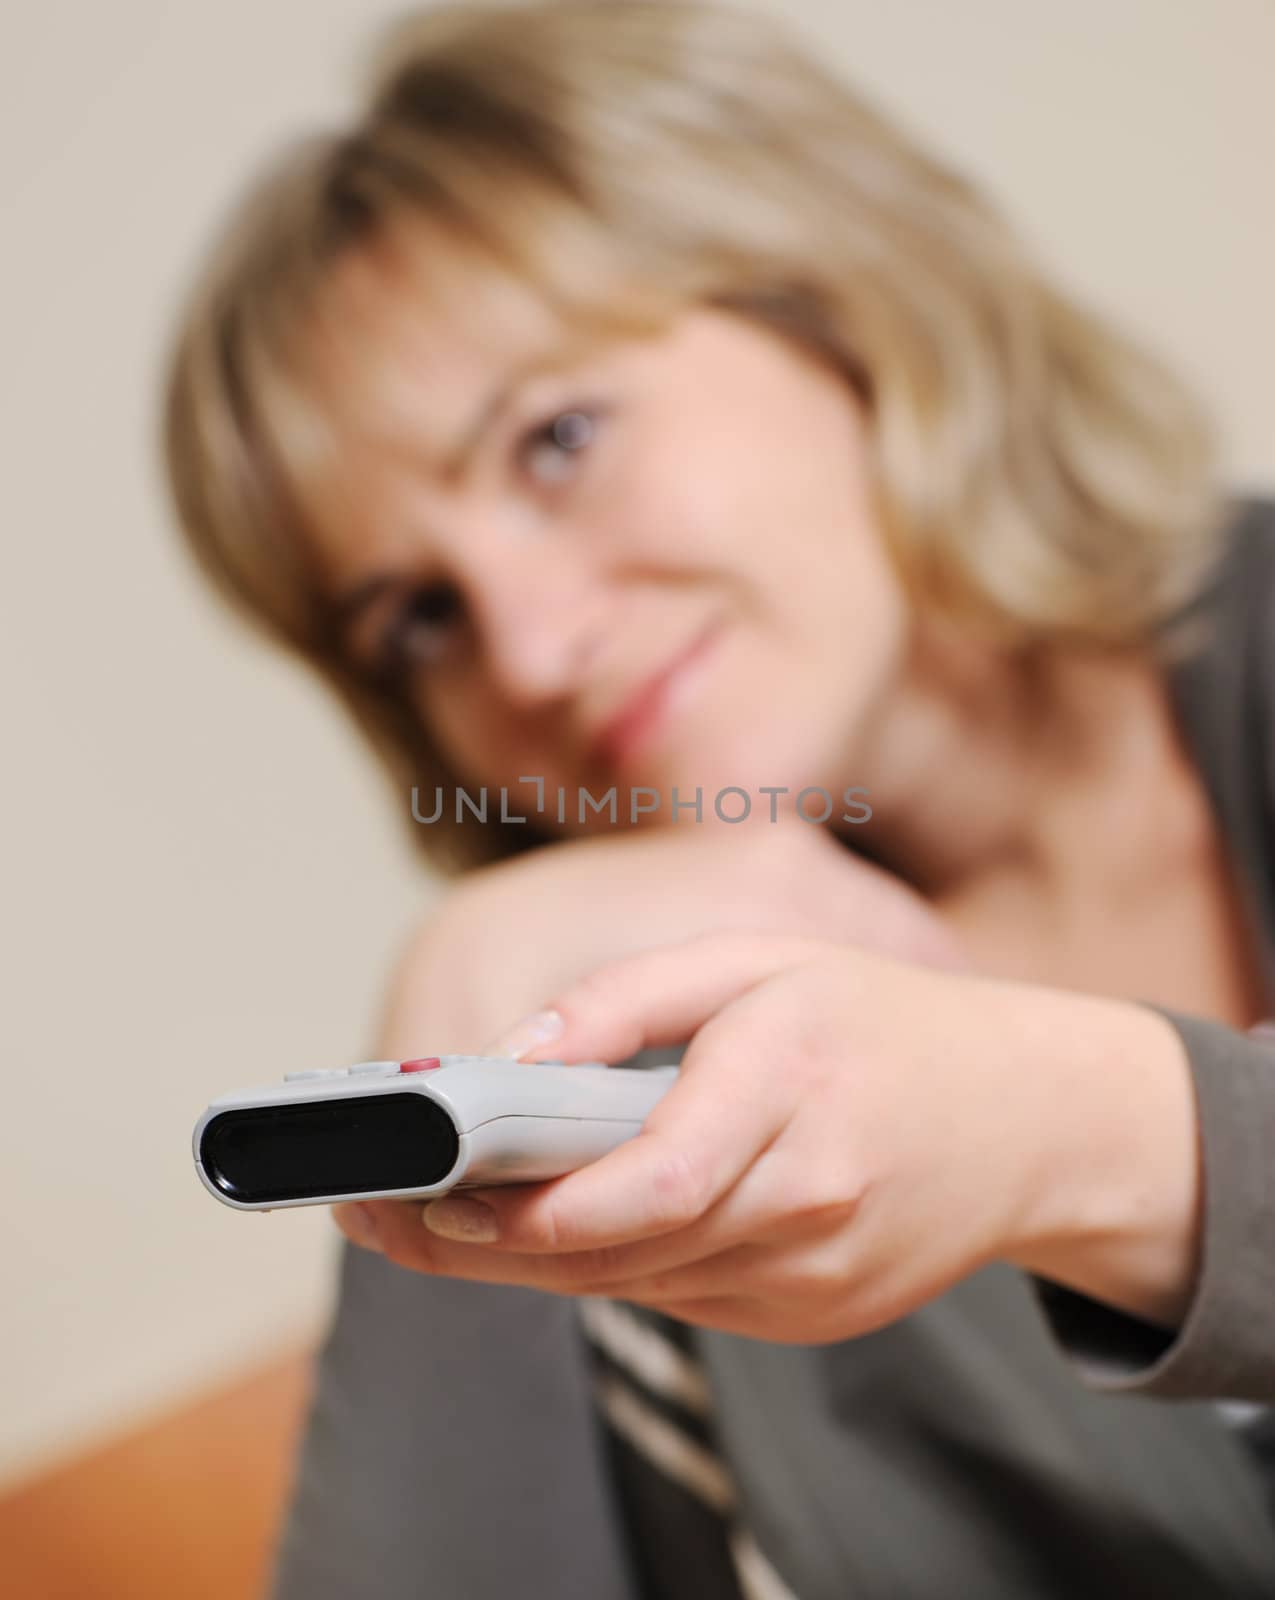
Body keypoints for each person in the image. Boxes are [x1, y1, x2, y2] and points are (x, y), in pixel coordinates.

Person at [160, 2, 1275, 1594]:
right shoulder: (629, 1102)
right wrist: (461, 1004)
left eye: (558, 440)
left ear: (834, 296)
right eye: (420, 620)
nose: (531, 650)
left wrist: (1058, 1129)